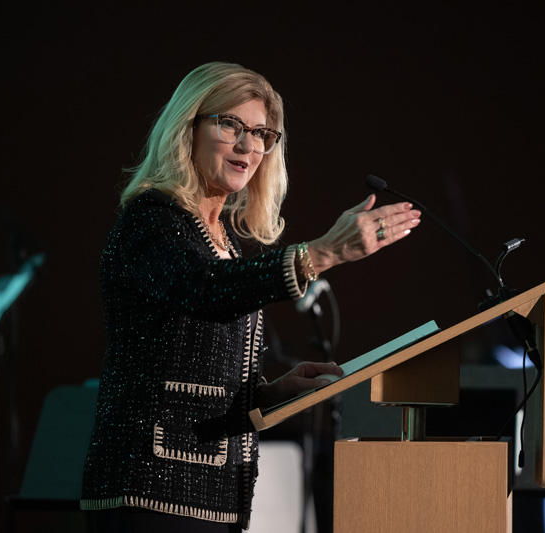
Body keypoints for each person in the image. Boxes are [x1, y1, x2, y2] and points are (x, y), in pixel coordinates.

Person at [80, 61, 421, 532]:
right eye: (230, 124)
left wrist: (273, 392)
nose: (248, 145)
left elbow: (204, 372)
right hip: (149, 492)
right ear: (188, 127)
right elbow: (203, 289)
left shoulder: (225, 241)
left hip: (218, 495)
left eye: (262, 133)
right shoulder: (152, 220)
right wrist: (320, 254)